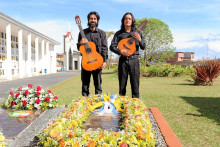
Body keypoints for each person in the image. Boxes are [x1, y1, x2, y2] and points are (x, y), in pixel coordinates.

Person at [110, 12, 146, 98]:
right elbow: (112, 46)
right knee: (122, 85)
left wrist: (140, 40)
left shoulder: (138, 33)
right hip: (123, 60)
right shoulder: (119, 33)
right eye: (126, 19)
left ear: (132, 20)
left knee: (135, 85)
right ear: (123, 21)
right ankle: (122, 106)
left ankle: (136, 107)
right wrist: (120, 51)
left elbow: (143, 46)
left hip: (134, 60)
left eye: (129, 19)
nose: (127, 20)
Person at [77, 11, 108, 96]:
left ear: (97, 20)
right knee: (85, 85)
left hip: (97, 62)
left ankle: (97, 104)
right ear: (88, 20)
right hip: (86, 62)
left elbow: (104, 48)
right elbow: (78, 48)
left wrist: (104, 61)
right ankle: (85, 104)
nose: (93, 20)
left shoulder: (102, 33)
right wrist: (81, 43)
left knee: (98, 86)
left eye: (95, 19)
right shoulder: (82, 33)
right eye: (91, 18)